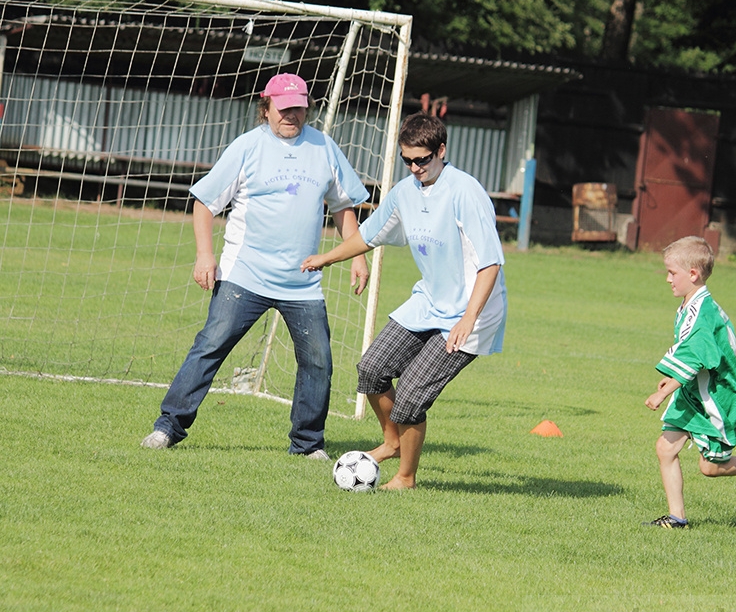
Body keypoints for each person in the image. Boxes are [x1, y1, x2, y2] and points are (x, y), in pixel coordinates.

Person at [141, 73, 370, 459]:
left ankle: (308, 444)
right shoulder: (246, 147)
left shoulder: (325, 147)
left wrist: (357, 255)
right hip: (244, 274)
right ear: (266, 109)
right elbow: (204, 202)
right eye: (283, 109)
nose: (291, 116)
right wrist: (204, 254)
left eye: (298, 108)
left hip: (302, 281)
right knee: (211, 346)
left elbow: (343, 205)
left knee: (318, 361)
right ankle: (168, 427)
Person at [301, 112, 507, 489]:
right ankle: (393, 442)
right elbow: (369, 234)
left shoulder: (466, 191)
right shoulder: (404, 192)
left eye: (422, 160)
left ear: (441, 151)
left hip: (473, 311)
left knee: (411, 394)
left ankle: (406, 478)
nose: (415, 168)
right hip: (429, 301)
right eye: (407, 160)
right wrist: (325, 258)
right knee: (372, 369)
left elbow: (491, 264)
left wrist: (467, 320)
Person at [644, 236, 736, 530]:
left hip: (714, 398)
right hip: (694, 391)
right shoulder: (692, 305)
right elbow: (691, 352)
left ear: (692, 274)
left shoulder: (701, 313)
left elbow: (695, 357)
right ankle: (677, 518)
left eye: (672, 273)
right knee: (665, 449)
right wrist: (671, 379)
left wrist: (662, 394)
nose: (667, 279)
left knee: (710, 467)